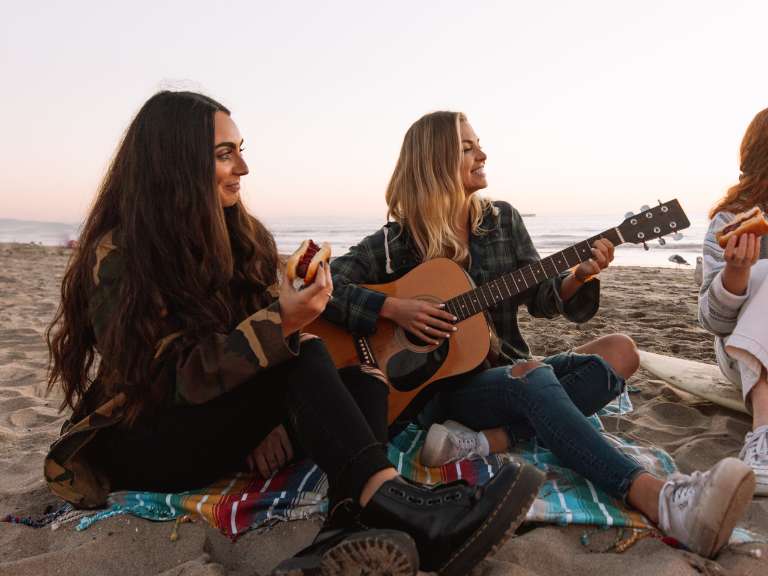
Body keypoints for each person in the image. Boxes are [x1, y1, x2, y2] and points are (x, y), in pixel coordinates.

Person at [43, 92, 545, 576]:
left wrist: (272, 414)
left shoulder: (237, 236)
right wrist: (283, 323)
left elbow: (253, 346)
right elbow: (171, 380)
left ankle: (343, 529)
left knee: (363, 371)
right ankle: (397, 503)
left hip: (217, 418)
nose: (243, 168)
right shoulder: (121, 255)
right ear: (176, 163)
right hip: (150, 440)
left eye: (241, 151)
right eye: (224, 154)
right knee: (304, 350)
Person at [325, 110, 756, 558]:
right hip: (440, 393)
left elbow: (543, 298)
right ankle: (657, 497)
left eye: (479, 145)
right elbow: (326, 284)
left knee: (621, 351)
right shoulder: (396, 243)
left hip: (508, 369)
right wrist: (395, 308)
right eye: (467, 148)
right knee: (532, 376)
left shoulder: (502, 220)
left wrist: (579, 276)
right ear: (434, 161)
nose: (482, 155)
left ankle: (485, 442)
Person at [699, 106, 768, 496]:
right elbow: (714, 322)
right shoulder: (730, 222)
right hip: (742, 355)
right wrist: (736, 274)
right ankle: (764, 438)